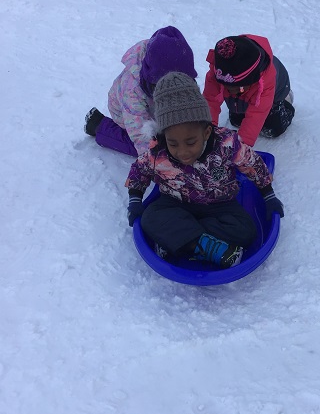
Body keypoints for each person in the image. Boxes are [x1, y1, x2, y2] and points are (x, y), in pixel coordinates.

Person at [125, 72, 285, 269]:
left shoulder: (226, 143)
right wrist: (134, 199)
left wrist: (268, 195)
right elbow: (139, 170)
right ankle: (204, 246)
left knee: (246, 230)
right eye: (173, 143)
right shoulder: (158, 151)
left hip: (220, 205)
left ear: (206, 132)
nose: (182, 152)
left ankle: (179, 241)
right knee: (150, 217)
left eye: (191, 142)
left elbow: (252, 163)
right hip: (176, 203)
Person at [84, 26, 197, 157]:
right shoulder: (132, 90)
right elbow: (140, 135)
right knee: (149, 145)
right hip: (128, 113)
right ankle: (99, 125)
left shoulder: (175, 70)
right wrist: (160, 162)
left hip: (157, 109)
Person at [202, 34, 295, 148]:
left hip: (275, 93)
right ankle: (240, 98)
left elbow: (257, 114)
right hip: (245, 95)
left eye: (238, 88)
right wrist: (207, 133)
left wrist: (240, 148)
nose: (232, 92)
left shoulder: (265, 81)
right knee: (236, 121)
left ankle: (286, 102)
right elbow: (210, 101)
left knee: (274, 128)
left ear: (252, 80)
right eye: (226, 87)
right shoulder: (217, 74)